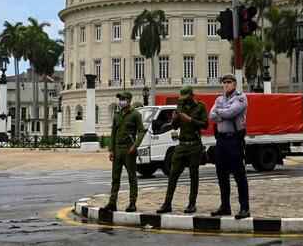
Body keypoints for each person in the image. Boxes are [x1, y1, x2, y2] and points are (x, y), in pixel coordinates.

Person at [156, 86, 208, 214]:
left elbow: (205, 125)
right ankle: (167, 204)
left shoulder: (200, 106)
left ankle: (192, 204)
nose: (184, 100)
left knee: (193, 175)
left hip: (194, 145)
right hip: (182, 145)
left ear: (192, 95)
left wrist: (190, 119)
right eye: (182, 98)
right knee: (173, 174)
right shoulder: (180, 107)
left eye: (186, 97)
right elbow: (174, 126)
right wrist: (174, 118)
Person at [209, 73, 250, 219]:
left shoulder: (241, 97)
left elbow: (232, 112)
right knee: (221, 174)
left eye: (229, 82)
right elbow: (211, 115)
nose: (226, 84)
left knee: (239, 175)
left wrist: (220, 112)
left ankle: (244, 207)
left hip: (234, 140)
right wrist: (223, 112)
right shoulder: (219, 98)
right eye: (224, 82)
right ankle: (225, 206)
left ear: (235, 84)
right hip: (221, 140)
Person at [103, 91, 145, 213]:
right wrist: (111, 149)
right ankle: (112, 202)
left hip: (129, 150)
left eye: (123, 99)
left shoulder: (135, 114)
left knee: (132, 178)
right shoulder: (117, 115)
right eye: (120, 99)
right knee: (115, 178)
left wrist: (135, 145)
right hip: (117, 150)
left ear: (129, 100)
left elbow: (141, 131)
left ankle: (132, 203)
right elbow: (113, 133)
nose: (121, 101)